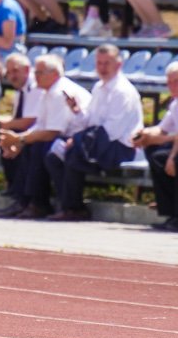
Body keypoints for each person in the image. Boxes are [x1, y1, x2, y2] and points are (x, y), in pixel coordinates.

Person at [44, 45, 143, 221]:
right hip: (100, 141)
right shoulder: (98, 87)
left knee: (73, 155)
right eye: (99, 63)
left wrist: (77, 140)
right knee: (53, 156)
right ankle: (69, 205)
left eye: (107, 63)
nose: (102, 68)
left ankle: (74, 209)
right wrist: (76, 110)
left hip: (121, 147)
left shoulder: (123, 91)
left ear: (118, 65)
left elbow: (112, 131)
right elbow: (89, 120)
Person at [0, 54, 91, 218]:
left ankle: (39, 203)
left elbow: (52, 132)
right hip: (65, 137)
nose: (35, 77)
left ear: (53, 74)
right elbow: (41, 125)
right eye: (35, 72)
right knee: (30, 146)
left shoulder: (59, 92)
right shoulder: (47, 91)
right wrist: (18, 142)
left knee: (39, 147)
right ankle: (26, 201)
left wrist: (19, 139)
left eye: (39, 73)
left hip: (81, 141)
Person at [0, 53, 44, 194]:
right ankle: (13, 187)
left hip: (38, 132)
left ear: (26, 69)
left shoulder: (35, 87)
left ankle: (20, 192)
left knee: (8, 136)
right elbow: (15, 118)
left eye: (15, 71)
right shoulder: (21, 88)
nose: (12, 76)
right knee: (3, 136)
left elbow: (27, 122)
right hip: (31, 130)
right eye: (9, 72)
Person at [132, 61, 178, 232]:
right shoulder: (175, 103)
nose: (172, 86)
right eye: (170, 82)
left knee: (171, 159)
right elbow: (163, 128)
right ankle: (171, 213)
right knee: (153, 152)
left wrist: (172, 158)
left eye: (176, 81)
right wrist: (144, 134)